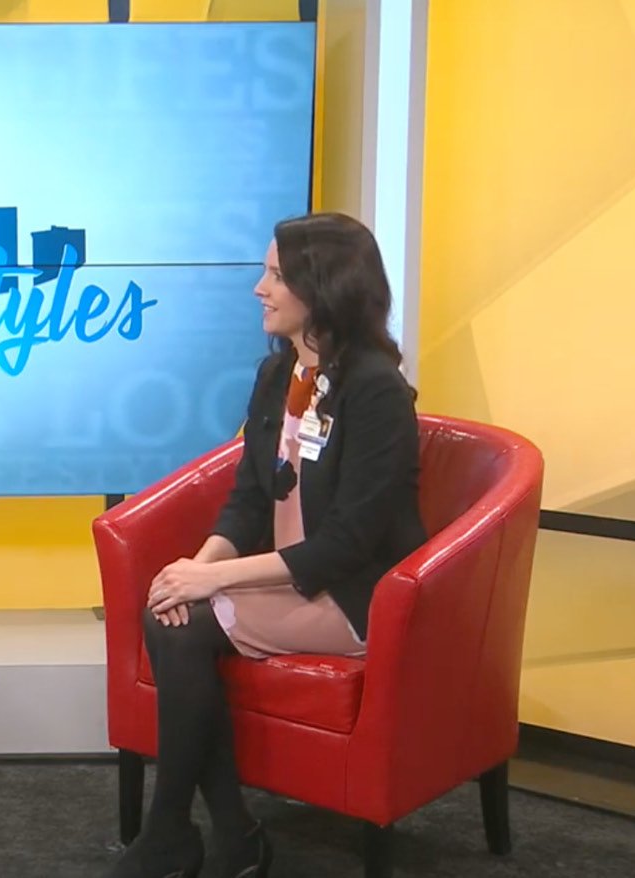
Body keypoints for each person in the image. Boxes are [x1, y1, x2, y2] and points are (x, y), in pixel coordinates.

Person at [104, 213, 427, 878]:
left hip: (347, 594)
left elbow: (346, 544)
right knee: (172, 612)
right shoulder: (277, 375)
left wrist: (213, 584)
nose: (259, 288)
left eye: (276, 275)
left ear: (322, 287)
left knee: (180, 624)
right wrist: (199, 567)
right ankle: (226, 833)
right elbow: (251, 497)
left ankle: (182, 834)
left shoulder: (376, 392)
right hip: (282, 580)